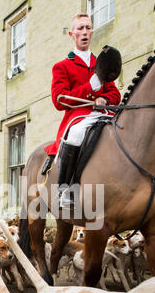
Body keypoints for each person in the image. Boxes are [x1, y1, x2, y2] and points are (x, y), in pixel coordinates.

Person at [44, 13, 121, 208]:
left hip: (104, 114)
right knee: (77, 134)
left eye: (88, 28)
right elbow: (59, 99)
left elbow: (114, 93)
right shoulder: (62, 66)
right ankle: (66, 191)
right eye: (80, 28)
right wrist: (92, 87)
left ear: (92, 32)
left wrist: (105, 98)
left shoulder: (101, 64)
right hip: (78, 116)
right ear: (72, 34)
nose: (84, 32)